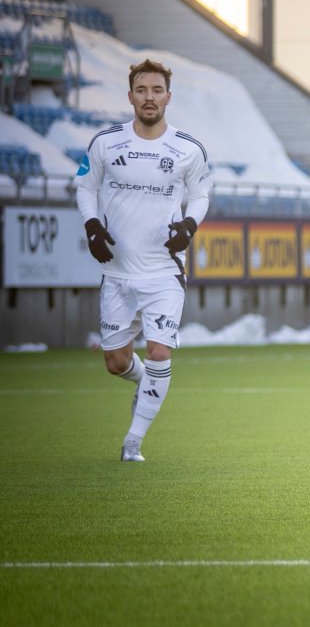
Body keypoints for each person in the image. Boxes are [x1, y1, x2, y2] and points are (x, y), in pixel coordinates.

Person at [76, 59, 211, 462]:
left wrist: (189, 225)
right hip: (117, 272)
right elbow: (85, 187)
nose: (149, 97)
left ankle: (133, 442)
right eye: (141, 90)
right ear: (130, 96)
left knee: (158, 352)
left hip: (163, 271)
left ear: (168, 97)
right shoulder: (105, 143)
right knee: (116, 362)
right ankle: (143, 383)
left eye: (156, 90)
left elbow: (201, 194)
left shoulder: (188, 149)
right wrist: (92, 227)